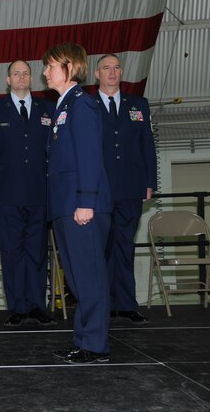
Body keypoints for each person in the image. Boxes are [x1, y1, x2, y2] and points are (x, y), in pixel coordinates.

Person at [42, 43, 112, 364]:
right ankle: (83, 340)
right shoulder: (63, 105)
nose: (45, 72)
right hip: (65, 205)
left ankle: (95, 346)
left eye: (51, 66)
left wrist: (86, 201)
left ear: (70, 67)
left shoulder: (82, 105)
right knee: (76, 277)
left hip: (81, 205)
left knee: (89, 275)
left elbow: (89, 156)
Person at [0, 60, 56, 327]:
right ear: (8, 80)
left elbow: (56, 153)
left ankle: (37, 305)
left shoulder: (49, 108)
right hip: (6, 193)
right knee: (12, 252)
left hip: (40, 192)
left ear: (32, 78)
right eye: (16, 74)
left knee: (37, 252)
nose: (21, 77)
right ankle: (16, 308)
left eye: (26, 73)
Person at [95, 54, 157, 324]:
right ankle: (106, 304)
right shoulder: (87, 105)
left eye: (117, 68)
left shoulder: (138, 104)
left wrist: (149, 182)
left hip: (131, 187)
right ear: (97, 74)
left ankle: (126, 303)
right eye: (106, 68)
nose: (112, 72)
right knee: (103, 248)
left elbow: (147, 145)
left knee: (125, 245)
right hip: (100, 190)